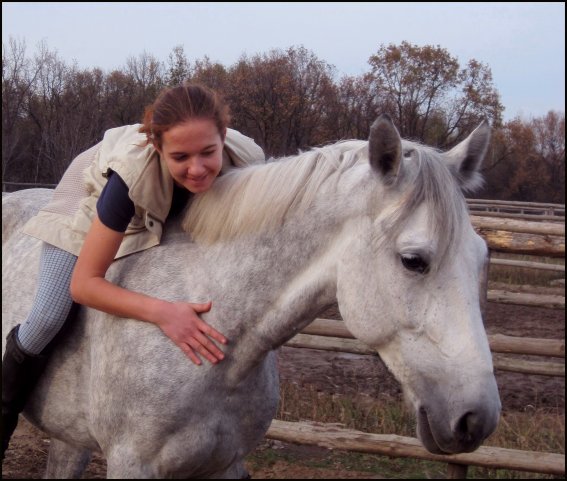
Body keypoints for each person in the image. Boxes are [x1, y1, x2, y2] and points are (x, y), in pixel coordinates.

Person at [1, 83, 265, 461]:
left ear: (223, 137)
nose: (197, 168)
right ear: (158, 148)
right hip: (87, 194)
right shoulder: (131, 177)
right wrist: (164, 312)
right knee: (47, 316)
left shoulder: (250, 162)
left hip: (156, 198)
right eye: (181, 156)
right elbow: (85, 285)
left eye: (208, 152)